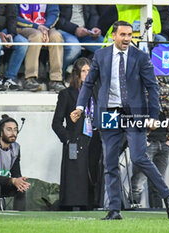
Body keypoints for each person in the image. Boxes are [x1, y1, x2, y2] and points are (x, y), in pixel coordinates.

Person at [70, 21, 169, 220]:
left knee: (138, 158)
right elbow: (89, 83)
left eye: (130, 35)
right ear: (114, 35)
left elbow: (152, 87)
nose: (127, 38)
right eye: (123, 35)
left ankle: (168, 196)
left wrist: (153, 116)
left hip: (134, 113)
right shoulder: (101, 56)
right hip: (110, 113)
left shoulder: (141, 57)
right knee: (110, 163)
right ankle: (114, 209)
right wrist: (79, 106)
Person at [52, 57, 103, 211]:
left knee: (93, 173)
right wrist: (68, 139)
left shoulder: (97, 92)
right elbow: (56, 123)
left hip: (94, 139)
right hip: (75, 140)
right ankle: (72, 205)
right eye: (84, 71)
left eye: (89, 71)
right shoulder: (66, 94)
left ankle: (92, 203)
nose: (87, 74)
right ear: (77, 74)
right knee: (75, 175)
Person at [131, 77, 169, 208]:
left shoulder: (163, 90)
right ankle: (132, 210)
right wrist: (143, 140)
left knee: (157, 183)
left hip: (163, 143)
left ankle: (157, 213)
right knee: (138, 183)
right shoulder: (138, 91)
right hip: (147, 143)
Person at [16, 4, 65, 92]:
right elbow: (14, 17)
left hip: (45, 27)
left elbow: (54, 13)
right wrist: (37, 27)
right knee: (36, 36)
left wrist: (46, 28)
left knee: (56, 36)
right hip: (24, 27)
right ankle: (30, 78)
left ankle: (56, 80)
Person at [55, 5, 104, 77]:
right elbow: (56, 18)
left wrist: (94, 27)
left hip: (86, 31)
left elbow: (94, 14)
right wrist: (74, 29)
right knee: (74, 48)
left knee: (107, 47)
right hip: (64, 30)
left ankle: (89, 73)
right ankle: (61, 75)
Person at [0, 4, 28, 91]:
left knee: (22, 43)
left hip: (5, 30)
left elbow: (12, 17)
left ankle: (9, 78)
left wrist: (11, 34)